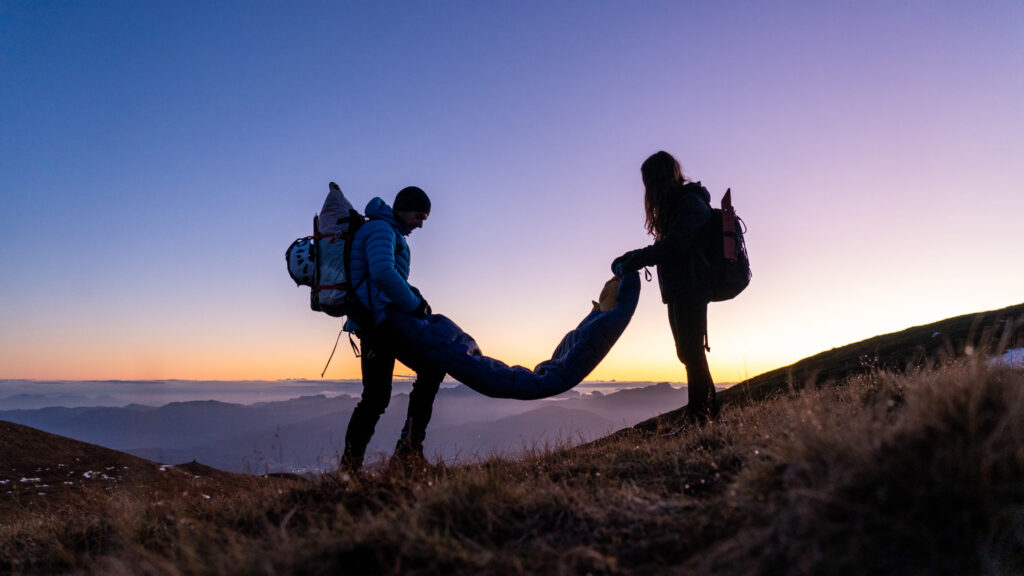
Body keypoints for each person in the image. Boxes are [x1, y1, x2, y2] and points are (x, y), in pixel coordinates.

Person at [340, 186, 445, 472]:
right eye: (419, 216)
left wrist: (413, 297)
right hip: (379, 323)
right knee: (426, 371)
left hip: (378, 321)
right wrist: (414, 305)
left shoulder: (387, 231)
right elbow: (383, 273)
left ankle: (353, 468)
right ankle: (404, 453)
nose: (420, 223)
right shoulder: (381, 230)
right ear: (403, 208)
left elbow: (385, 275)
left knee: (375, 398)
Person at [612, 151, 719, 422]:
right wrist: (633, 258)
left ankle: (701, 417)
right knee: (688, 352)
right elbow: (669, 246)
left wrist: (634, 259)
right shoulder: (678, 205)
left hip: (693, 285)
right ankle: (707, 415)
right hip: (680, 287)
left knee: (692, 352)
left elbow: (674, 245)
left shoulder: (690, 202)